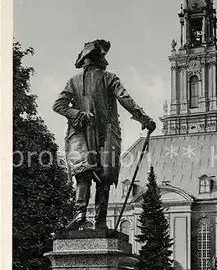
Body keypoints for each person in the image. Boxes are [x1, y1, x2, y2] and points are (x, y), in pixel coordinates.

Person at [53, 39, 156, 230]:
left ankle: (81, 215)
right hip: (102, 134)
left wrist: (76, 114)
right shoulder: (108, 77)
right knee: (103, 177)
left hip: (82, 133)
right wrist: (144, 119)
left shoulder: (74, 81)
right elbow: (126, 99)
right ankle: (99, 221)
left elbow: (58, 105)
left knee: (84, 174)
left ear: (85, 60)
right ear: (98, 59)